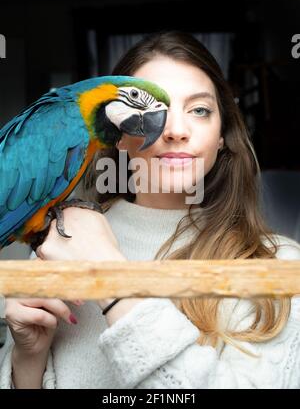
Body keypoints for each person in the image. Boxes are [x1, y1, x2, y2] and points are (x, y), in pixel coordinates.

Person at [1, 30, 300, 389]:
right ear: (118, 135)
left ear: (222, 135)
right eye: (157, 109)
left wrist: (112, 277)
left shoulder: (280, 267)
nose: (174, 130)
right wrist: (26, 360)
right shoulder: (60, 244)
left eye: (199, 110)